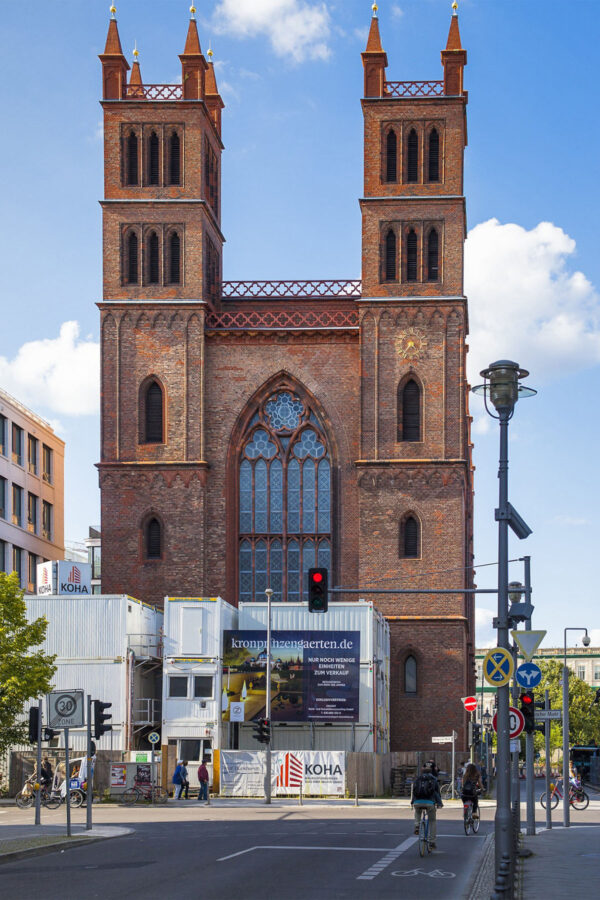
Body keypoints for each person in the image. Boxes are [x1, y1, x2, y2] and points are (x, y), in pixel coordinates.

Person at [411, 762, 443, 849]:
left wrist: (412, 802)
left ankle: (417, 825)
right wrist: (439, 803)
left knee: (418, 811)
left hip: (417, 802)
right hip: (429, 803)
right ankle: (432, 842)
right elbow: (437, 793)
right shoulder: (433, 779)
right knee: (432, 821)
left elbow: (414, 791)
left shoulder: (417, 779)